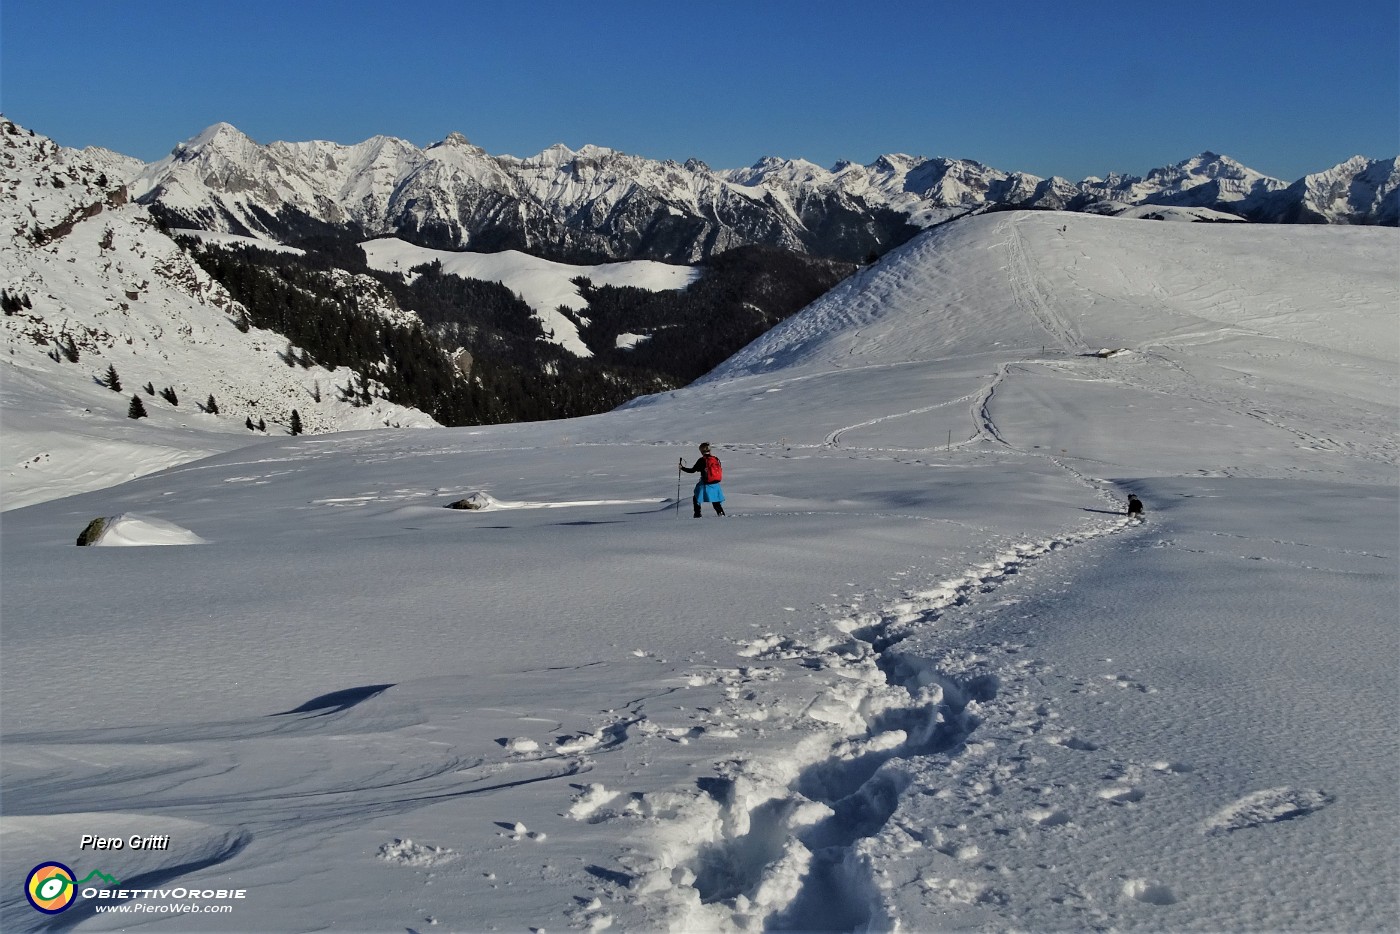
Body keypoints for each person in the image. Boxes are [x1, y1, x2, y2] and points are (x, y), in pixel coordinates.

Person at [680, 443, 725, 518]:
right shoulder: (716, 459)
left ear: (701, 451)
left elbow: (692, 470)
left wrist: (682, 468)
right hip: (715, 484)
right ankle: (721, 514)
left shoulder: (702, 460)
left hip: (705, 483)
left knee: (696, 498)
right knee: (715, 500)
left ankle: (697, 515)